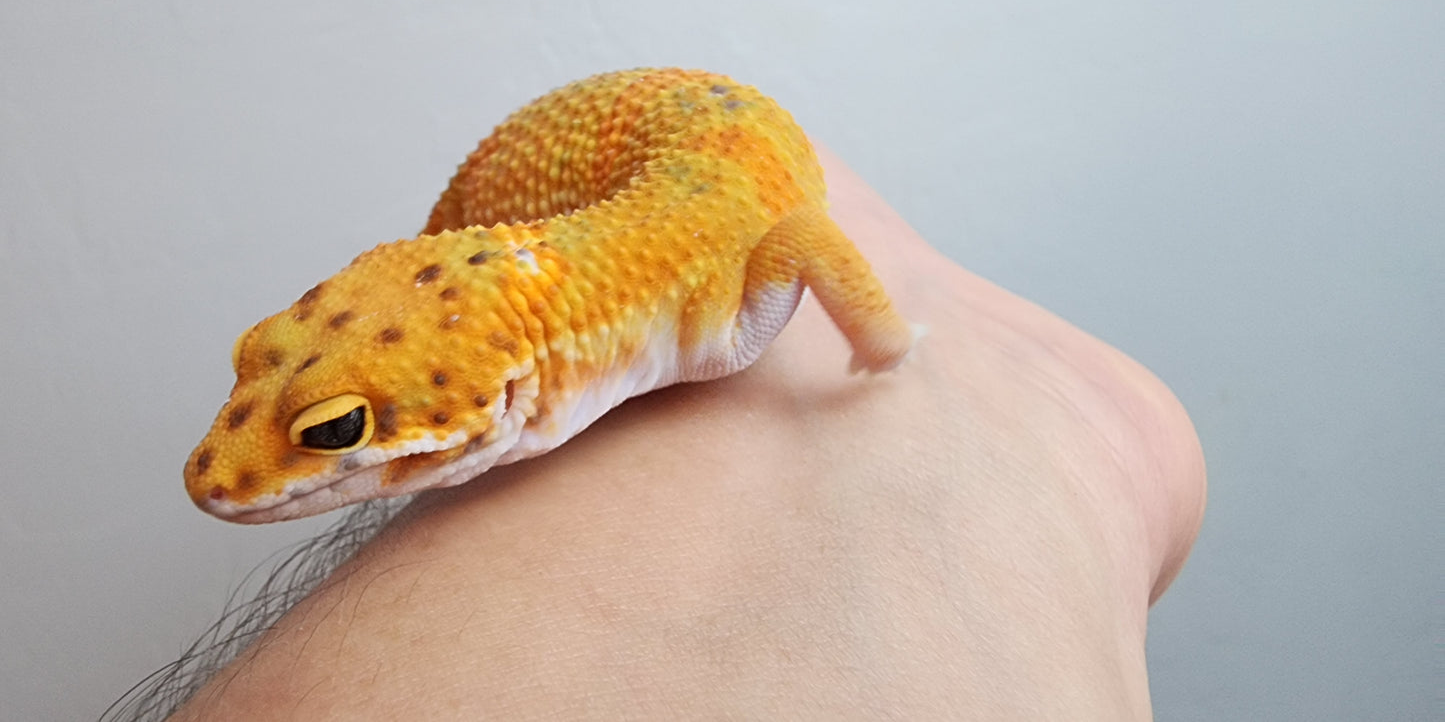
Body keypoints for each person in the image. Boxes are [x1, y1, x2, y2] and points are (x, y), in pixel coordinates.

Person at [169, 148, 1205, 720]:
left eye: (332, 430)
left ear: (521, 380)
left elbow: (800, 235)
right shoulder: (515, 296)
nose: (224, 474)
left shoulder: (712, 331)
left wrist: (884, 343)